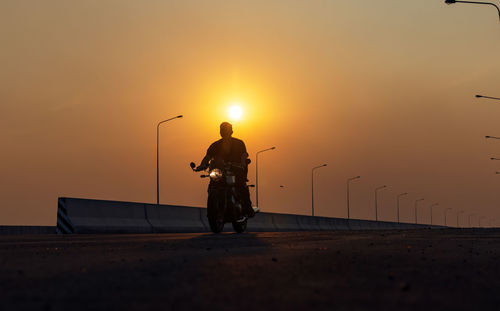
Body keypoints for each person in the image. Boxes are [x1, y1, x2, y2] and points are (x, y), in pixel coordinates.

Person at [195, 122, 255, 218]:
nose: (224, 132)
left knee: (241, 186)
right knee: (213, 184)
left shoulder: (239, 143)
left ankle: (247, 208)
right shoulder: (215, 145)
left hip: (236, 170)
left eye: (226, 130)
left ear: (231, 131)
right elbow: (207, 157)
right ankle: (214, 206)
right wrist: (202, 165)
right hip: (221, 171)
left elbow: (243, 155)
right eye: (222, 130)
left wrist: (243, 163)